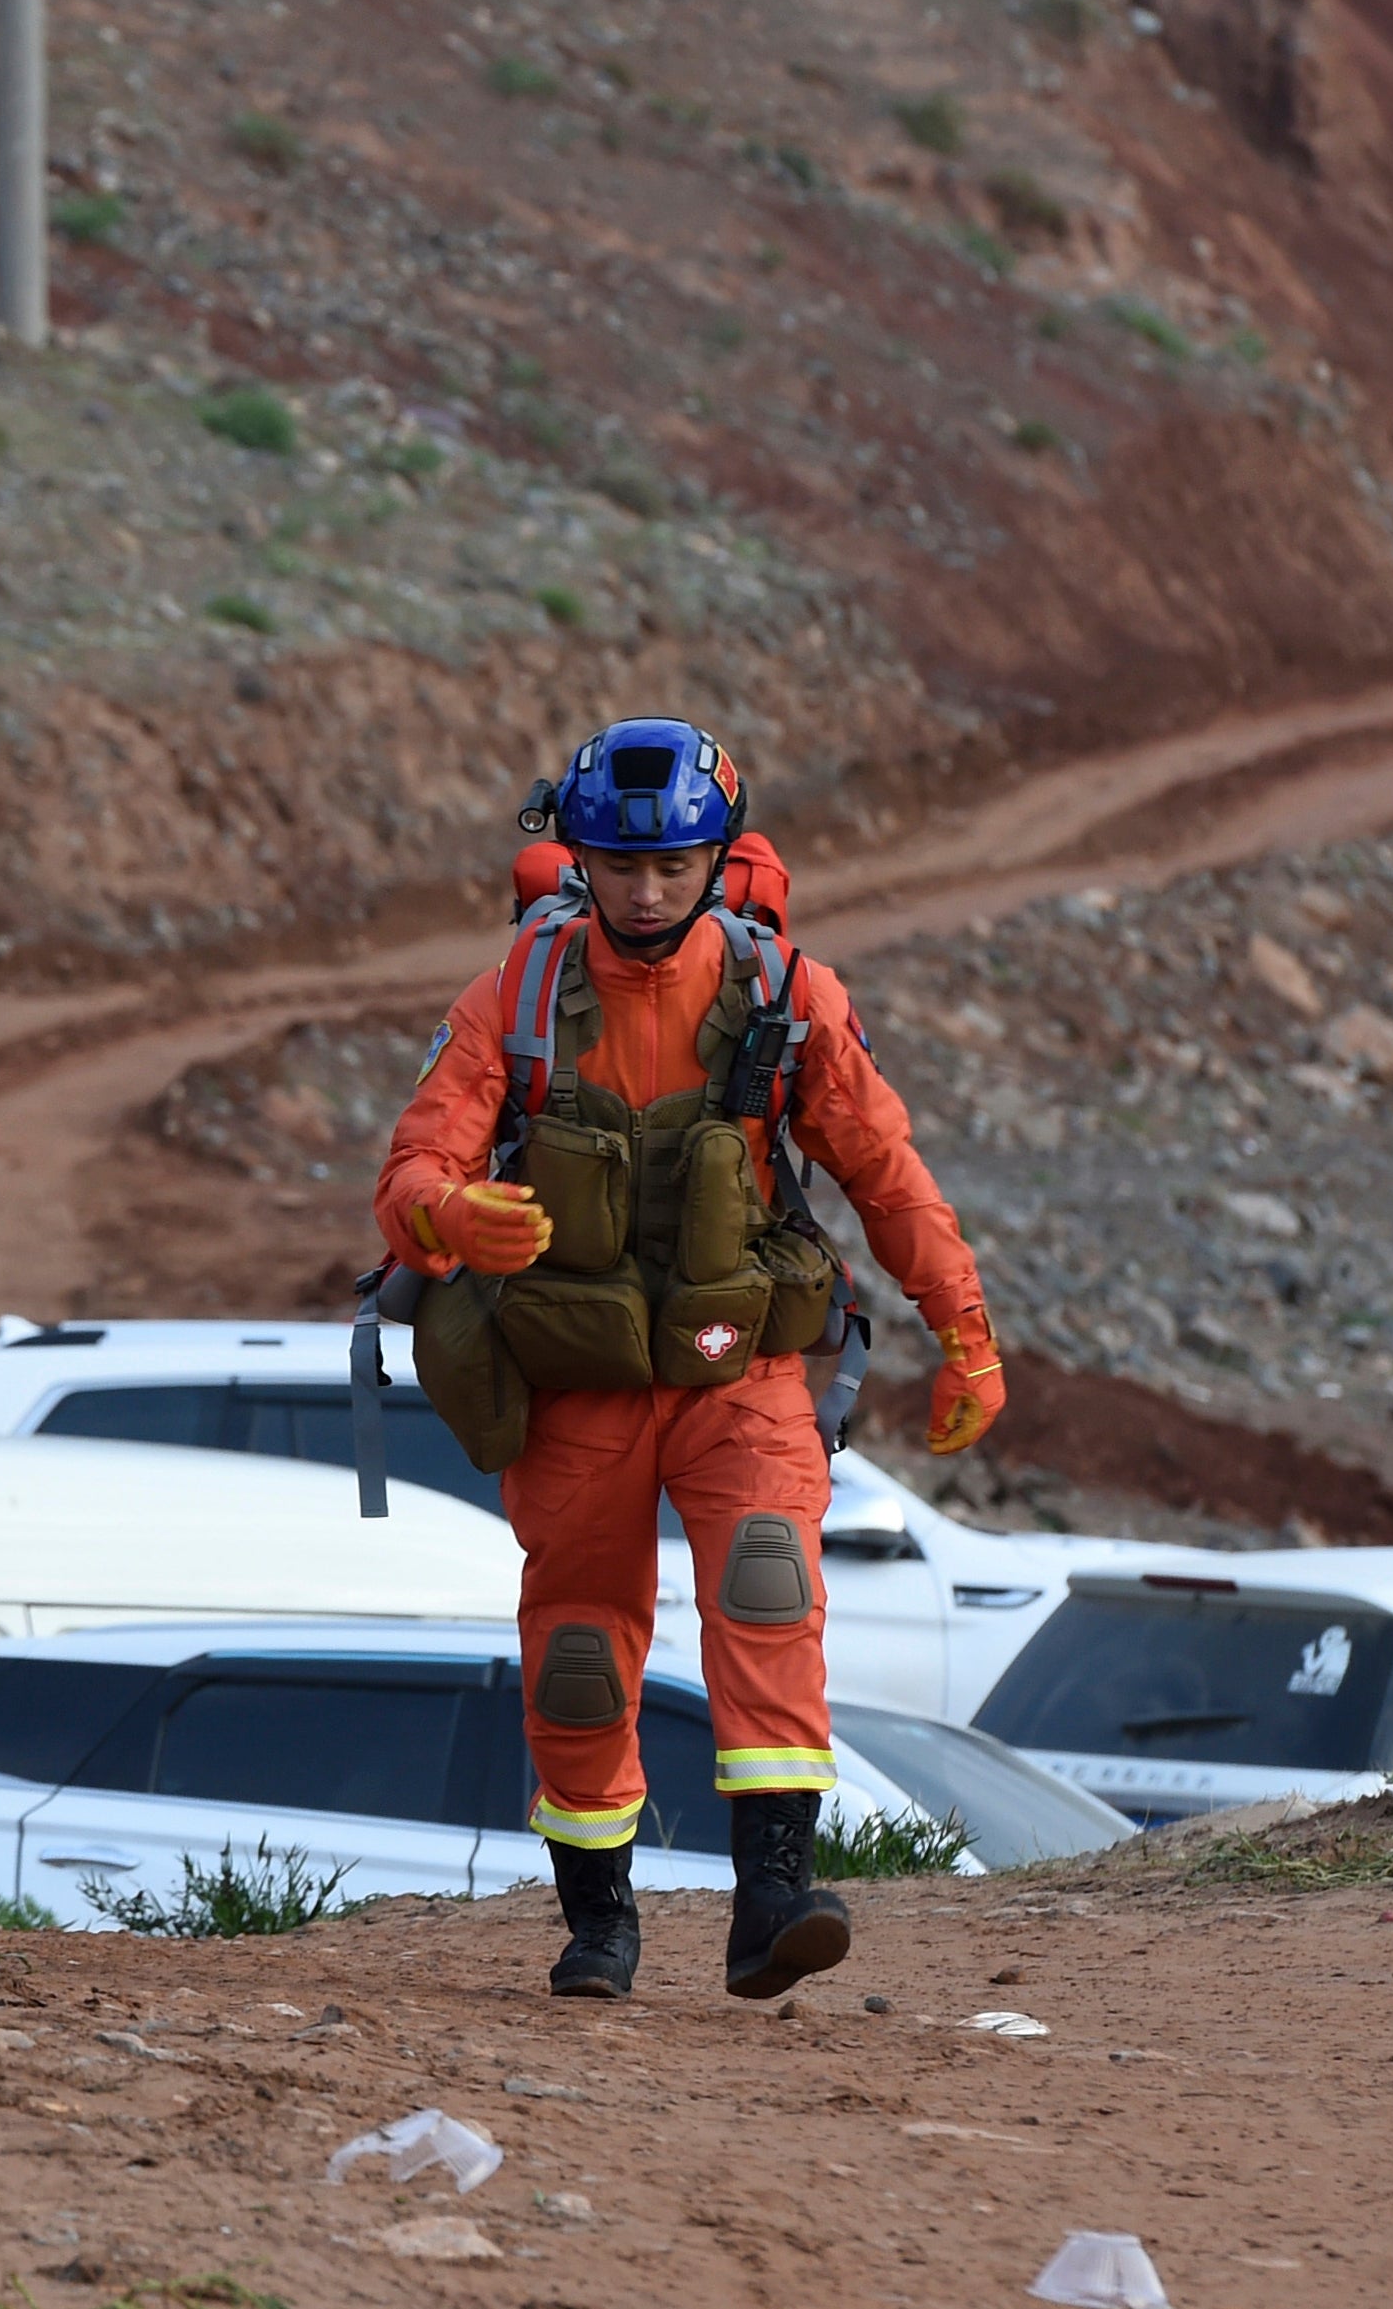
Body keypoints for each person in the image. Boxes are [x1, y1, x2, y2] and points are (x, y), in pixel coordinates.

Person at [374, 719, 1001, 2001]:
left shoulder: (787, 997)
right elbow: (413, 1167)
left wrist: (965, 1332)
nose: (647, 891)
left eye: (675, 865)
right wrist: (448, 1213)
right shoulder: (519, 994)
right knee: (579, 1651)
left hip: (742, 1367)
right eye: (621, 864)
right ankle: (598, 1919)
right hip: (578, 1377)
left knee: (768, 1587)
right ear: (580, 858)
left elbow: (886, 1173)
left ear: (719, 860)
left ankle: (773, 1896)